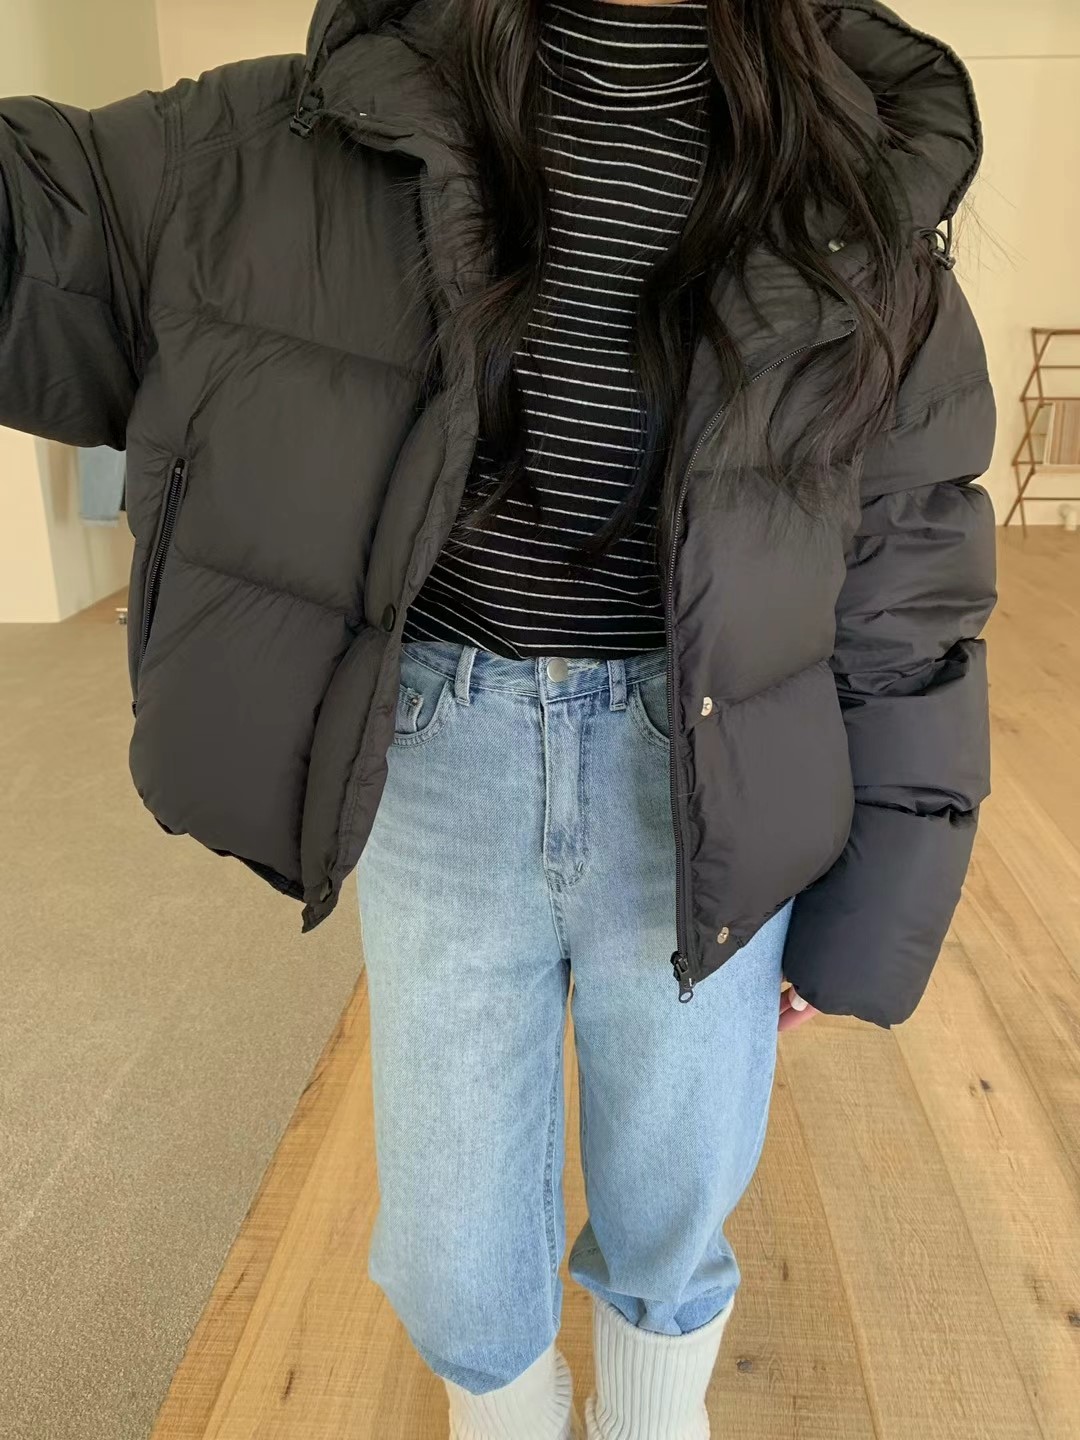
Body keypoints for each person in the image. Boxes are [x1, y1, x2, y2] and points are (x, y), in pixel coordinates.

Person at [0, 0, 996, 1434]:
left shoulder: (852, 157)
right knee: (455, 1249)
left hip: (714, 772)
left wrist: (874, 903)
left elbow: (909, 562)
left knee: (676, 1199)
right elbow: (48, 229)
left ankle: (652, 1416)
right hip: (443, 764)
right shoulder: (302, 125)